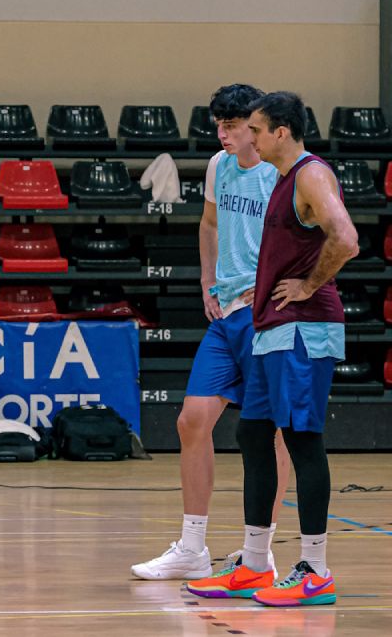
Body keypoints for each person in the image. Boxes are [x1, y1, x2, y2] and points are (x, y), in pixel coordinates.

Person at [188, 91, 357, 606]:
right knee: (253, 432)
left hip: (303, 326)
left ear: (280, 131)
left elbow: (346, 238)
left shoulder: (310, 173)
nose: (249, 138)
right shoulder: (283, 179)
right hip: (270, 325)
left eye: (256, 129)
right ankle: (255, 563)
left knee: (302, 439)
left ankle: (315, 569)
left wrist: (308, 284)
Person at [132, 84, 292, 581]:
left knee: (273, 436)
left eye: (232, 125)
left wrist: (265, 291)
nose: (222, 134)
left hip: (267, 314)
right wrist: (208, 278)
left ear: (256, 126)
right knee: (191, 421)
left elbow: (301, 240)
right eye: (218, 125)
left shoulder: (281, 174)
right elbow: (208, 222)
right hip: (226, 315)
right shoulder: (219, 167)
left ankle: (260, 551)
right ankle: (193, 547)